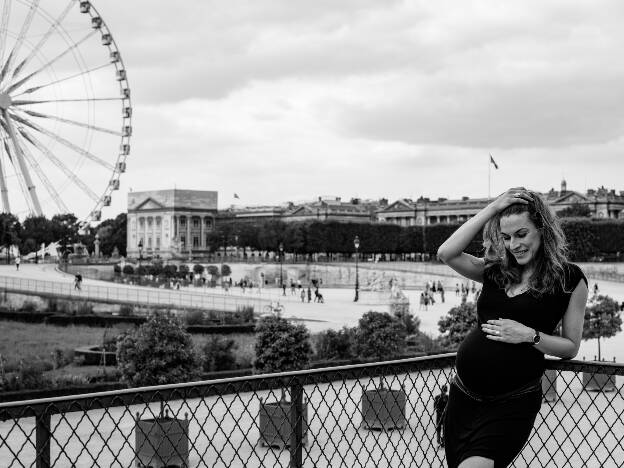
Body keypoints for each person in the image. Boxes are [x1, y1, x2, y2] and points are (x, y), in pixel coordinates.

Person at [437, 187, 588, 468]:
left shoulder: (570, 279)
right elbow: (446, 252)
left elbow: (570, 347)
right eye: (506, 237)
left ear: (542, 230)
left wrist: (528, 335)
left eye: (521, 234)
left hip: (511, 404)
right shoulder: (496, 270)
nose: (513, 244)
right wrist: (493, 208)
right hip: (463, 397)